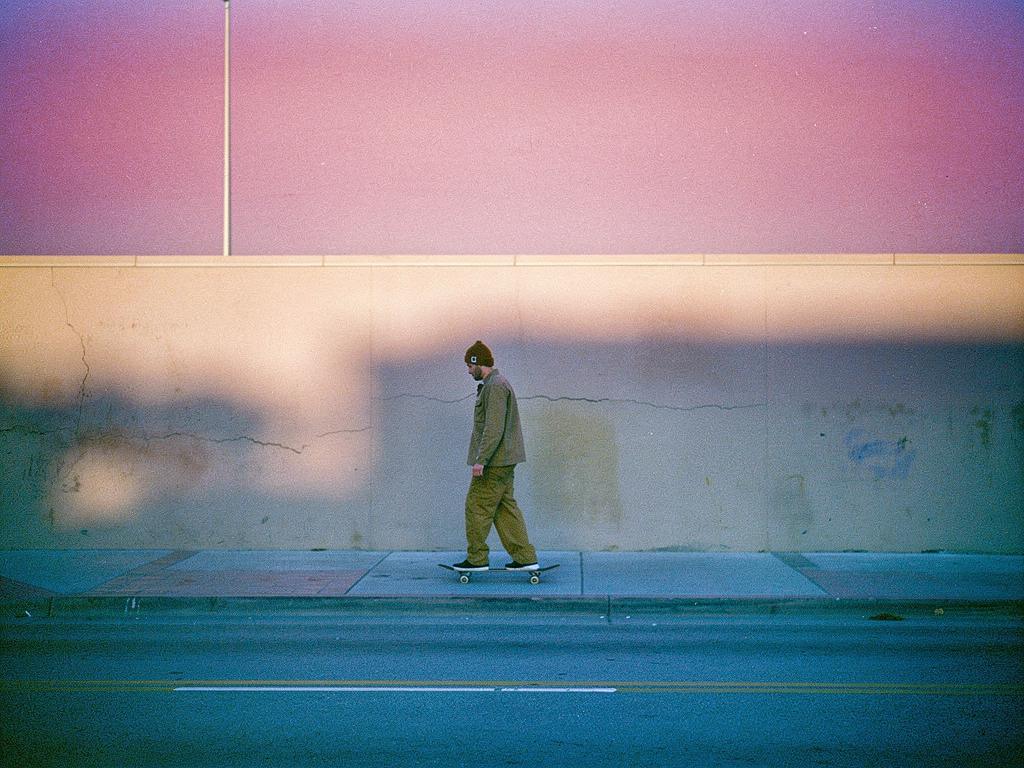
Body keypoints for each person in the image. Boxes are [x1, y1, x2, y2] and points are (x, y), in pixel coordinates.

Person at [453, 341, 539, 571]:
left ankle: (476, 559)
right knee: (504, 509)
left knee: (476, 506)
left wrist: (481, 459)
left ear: (478, 363)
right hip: (502, 460)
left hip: (494, 462)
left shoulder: (495, 386)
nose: (469, 371)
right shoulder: (494, 384)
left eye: (470, 366)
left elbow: (493, 427)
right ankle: (525, 557)